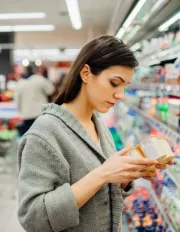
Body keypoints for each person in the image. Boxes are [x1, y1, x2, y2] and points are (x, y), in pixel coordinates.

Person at [18, 36, 172, 232]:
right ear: (86, 73)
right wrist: (103, 174)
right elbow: (33, 218)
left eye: (125, 86)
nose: (121, 94)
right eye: (114, 83)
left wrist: (125, 177)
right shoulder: (44, 133)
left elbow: (98, 197)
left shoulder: (98, 124)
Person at [15, 66, 55, 135]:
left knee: (29, 138)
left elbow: (17, 100)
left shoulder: (20, 83)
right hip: (41, 113)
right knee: (42, 137)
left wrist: (21, 112)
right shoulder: (40, 79)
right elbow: (51, 90)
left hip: (27, 115)